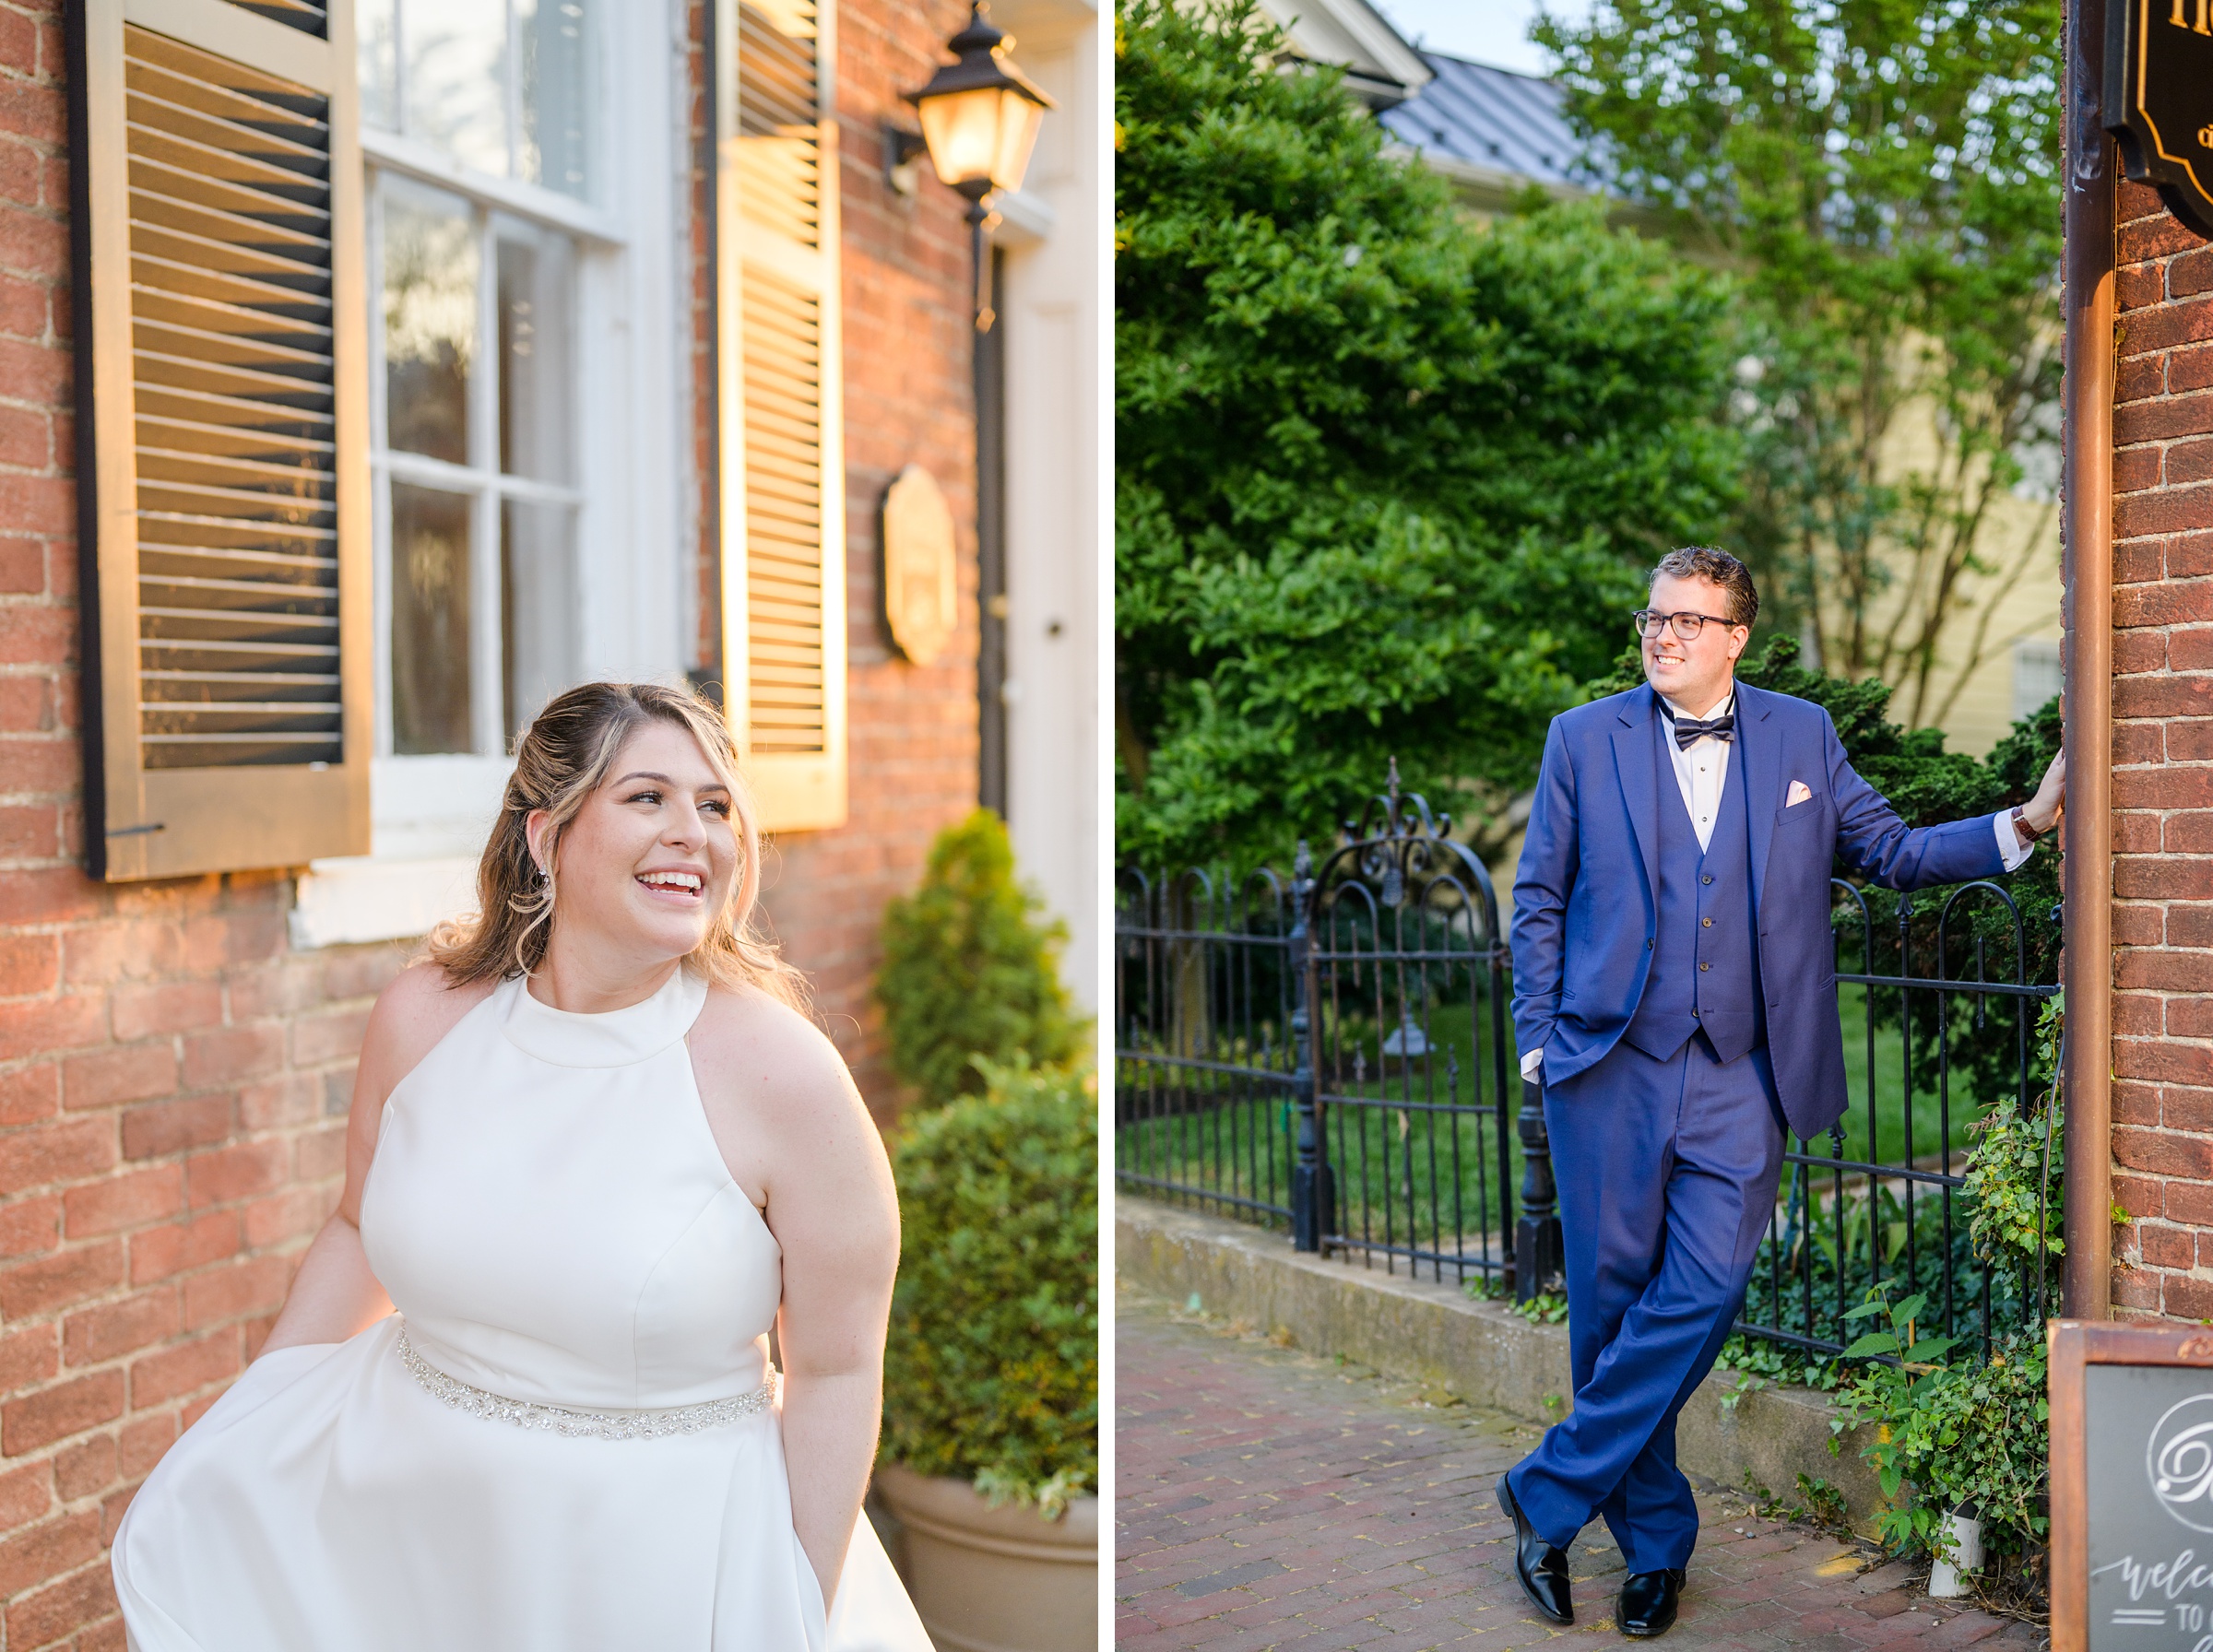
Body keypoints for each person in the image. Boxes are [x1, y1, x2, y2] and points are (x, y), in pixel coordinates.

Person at [112, 682, 932, 1652]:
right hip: (404, 1547)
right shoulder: (424, 1017)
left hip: (657, 1570)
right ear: (546, 837)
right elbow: (355, 1226)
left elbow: (837, 1366)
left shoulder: (786, 1078)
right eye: (646, 798)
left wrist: (793, 1594)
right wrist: (267, 1404)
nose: (694, 833)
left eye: (715, 806)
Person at [1498, 549, 2064, 1639]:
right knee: (1611, 1314)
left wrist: (2024, 824)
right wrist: (1538, 1044)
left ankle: (1545, 1491)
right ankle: (1656, 1548)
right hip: (1606, 1068)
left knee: (1705, 1289)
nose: (1663, 637)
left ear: (1737, 637)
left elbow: (1891, 849)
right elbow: (1538, 897)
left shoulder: (1801, 736)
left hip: (1742, 1073)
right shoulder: (1583, 738)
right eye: (1653, 619)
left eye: (1688, 622)